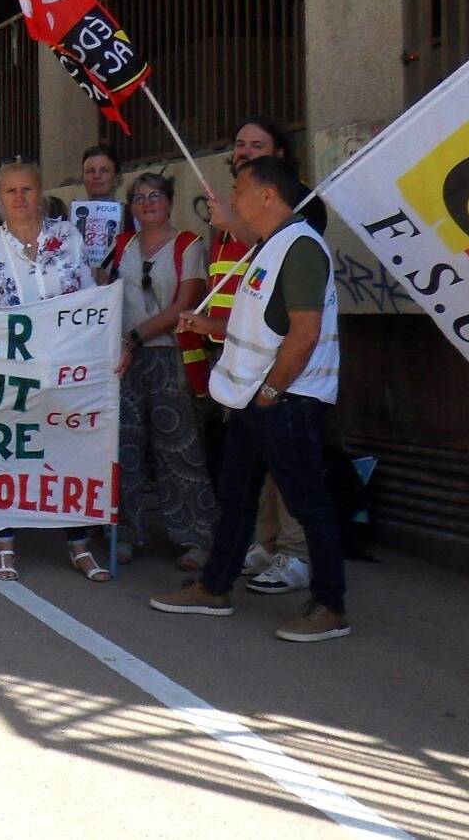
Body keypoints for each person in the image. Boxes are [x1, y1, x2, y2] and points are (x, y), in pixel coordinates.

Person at [150, 156, 351, 642]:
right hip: (253, 395)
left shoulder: (300, 247)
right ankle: (214, 587)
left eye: (239, 189)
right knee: (236, 495)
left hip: (286, 398)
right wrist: (209, 325)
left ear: (267, 195)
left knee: (308, 502)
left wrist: (271, 392)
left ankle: (330, 606)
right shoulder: (270, 247)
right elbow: (261, 325)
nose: (232, 199)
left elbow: (305, 332)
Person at [0, 161, 109, 583]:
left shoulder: (67, 237)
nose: (20, 197)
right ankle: (5, 544)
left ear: (40, 192)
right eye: (11, 190)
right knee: (7, 452)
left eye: (27, 189)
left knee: (69, 451)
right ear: (0, 197)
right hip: (10, 369)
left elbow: (89, 299)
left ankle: (78, 544)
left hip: (66, 365)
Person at [208, 117, 312, 594]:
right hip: (241, 360)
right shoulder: (233, 209)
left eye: (257, 145)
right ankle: (266, 544)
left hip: (282, 368)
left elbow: (283, 256)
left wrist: (237, 226)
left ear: (280, 156)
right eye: (239, 144)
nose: (244, 151)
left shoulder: (301, 206)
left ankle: (297, 553)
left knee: (289, 465)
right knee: (253, 467)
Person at [104, 173, 220, 568]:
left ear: (169, 201)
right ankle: (125, 532)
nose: (147, 203)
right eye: (139, 197)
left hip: (170, 355)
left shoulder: (189, 244)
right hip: (125, 358)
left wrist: (135, 337)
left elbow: (183, 306)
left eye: (155, 195)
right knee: (125, 445)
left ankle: (195, 535)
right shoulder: (122, 245)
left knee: (179, 447)